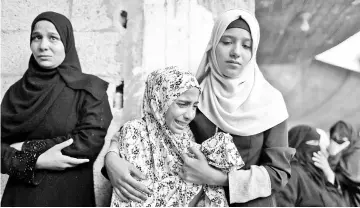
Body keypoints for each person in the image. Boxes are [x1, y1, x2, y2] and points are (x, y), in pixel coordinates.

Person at [104, 9, 295, 206]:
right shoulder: (194, 95)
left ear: (253, 52)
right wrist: (112, 158)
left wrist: (218, 178)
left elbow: (279, 173)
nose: (236, 52)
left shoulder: (270, 103)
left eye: (246, 45)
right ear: (213, 45)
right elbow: (149, 127)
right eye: (227, 42)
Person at [1, 11, 112, 206]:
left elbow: (88, 143)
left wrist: (26, 148)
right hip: (19, 199)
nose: (43, 45)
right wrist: (36, 161)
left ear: (67, 43)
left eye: (53, 38)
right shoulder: (17, 92)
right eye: (36, 37)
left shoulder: (89, 89)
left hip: (68, 196)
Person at [109, 66, 244, 207]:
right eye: (182, 104)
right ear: (159, 99)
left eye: (194, 106)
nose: (190, 115)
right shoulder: (135, 133)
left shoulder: (188, 135)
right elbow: (136, 196)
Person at [275, 125, 348, 207]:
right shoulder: (292, 174)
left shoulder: (316, 175)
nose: (318, 148)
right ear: (297, 144)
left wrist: (329, 174)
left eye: (318, 143)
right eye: (313, 142)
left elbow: (337, 203)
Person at [313, 120, 360, 206]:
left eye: (340, 141)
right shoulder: (338, 155)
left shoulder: (355, 156)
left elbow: (353, 178)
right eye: (333, 139)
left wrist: (327, 169)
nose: (335, 143)